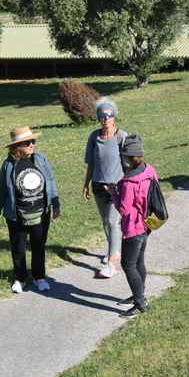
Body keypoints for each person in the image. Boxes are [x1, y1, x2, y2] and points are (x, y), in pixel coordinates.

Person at [0, 126, 60, 294]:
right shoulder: (8, 165)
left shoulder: (40, 159)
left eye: (33, 141)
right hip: (16, 215)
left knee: (38, 246)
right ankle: (20, 278)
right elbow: (1, 190)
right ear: (17, 146)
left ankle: (39, 277)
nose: (32, 145)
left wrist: (56, 204)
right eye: (27, 142)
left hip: (41, 213)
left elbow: (50, 180)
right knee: (18, 248)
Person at [114, 134, 158, 317]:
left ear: (128, 158)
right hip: (148, 223)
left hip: (133, 228)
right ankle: (138, 294)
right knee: (139, 261)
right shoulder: (149, 171)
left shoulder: (128, 182)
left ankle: (140, 303)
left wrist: (113, 193)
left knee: (128, 264)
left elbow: (124, 209)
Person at [82, 98, 126, 279]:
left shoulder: (121, 136)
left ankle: (112, 263)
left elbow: (130, 163)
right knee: (105, 222)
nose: (105, 119)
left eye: (108, 116)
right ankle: (113, 251)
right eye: (102, 116)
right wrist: (85, 184)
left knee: (112, 222)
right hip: (98, 185)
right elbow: (91, 163)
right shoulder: (94, 137)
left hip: (117, 187)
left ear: (114, 117)